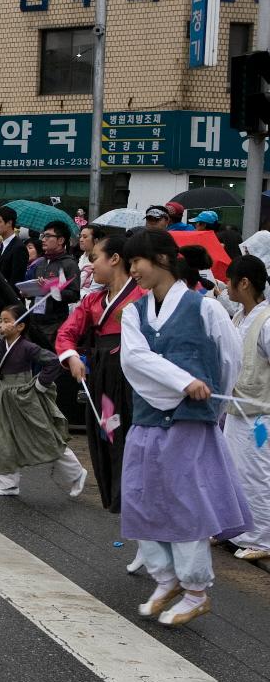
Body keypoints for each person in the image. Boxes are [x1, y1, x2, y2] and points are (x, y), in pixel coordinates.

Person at [119, 229, 250, 626]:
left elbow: (230, 361)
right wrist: (183, 382)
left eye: (136, 262)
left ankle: (195, 589)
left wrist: (210, 401)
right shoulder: (133, 312)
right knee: (141, 498)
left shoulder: (205, 308)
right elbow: (135, 360)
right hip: (147, 419)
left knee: (186, 503)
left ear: (161, 259)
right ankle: (165, 576)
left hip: (191, 423)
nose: (133, 271)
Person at [56, 234, 146, 516]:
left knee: (130, 435)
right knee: (105, 433)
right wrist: (71, 356)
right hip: (102, 375)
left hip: (132, 376)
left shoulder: (142, 297)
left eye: (95, 258)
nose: (91, 266)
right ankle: (114, 495)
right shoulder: (93, 300)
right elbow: (66, 333)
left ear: (115, 259)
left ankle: (133, 497)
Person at [0, 304, 89, 498]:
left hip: (24, 392)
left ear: (20, 326)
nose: (2, 325)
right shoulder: (0, 343)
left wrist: (40, 385)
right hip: (4, 391)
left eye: (6, 321)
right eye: (0, 321)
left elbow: (53, 362)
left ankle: (76, 473)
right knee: (3, 436)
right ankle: (8, 483)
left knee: (44, 436)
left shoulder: (27, 346)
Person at [223, 255, 270, 562]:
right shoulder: (240, 316)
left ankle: (261, 537)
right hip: (236, 409)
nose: (225, 286)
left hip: (260, 415)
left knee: (257, 473)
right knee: (231, 470)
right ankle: (235, 529)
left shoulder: (267, 321)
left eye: (230, 280)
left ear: (244, 283)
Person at [26, 221, 81, 345]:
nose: (43, 240)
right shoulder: (41, 262)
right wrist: (28, 292)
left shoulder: (69, 264)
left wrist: (53, 289)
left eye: (48, 236)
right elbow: (37, 291)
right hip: (34, 319)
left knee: (49, 361)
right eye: (43, 236)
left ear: (61, 240)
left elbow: (74, 295)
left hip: (53, 324)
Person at [0, 206, 29, 325]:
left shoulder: (18, 247)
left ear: (9, 223)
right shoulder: (2, 246)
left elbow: (16, 281)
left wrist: (9, 309)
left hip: (8, 307)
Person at [76, 223, 102, 299]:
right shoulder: (82, 257)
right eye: (80, 236)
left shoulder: (101, 261)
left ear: (96, 240)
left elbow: (94, 292)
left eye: (85, 237)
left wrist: (74, 292)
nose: (81, 240)